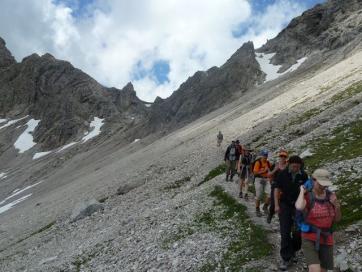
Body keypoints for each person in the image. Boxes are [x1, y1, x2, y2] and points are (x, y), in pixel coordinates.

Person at [295, 169, 341, 272]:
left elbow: (337, 219)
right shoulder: (307, 196)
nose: (324, 187)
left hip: (326, 237)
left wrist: (336, 206)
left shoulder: (331, 196)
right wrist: (302, 191)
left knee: (323, 270)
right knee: (315, 269)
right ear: (313, 180)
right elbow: (298, 206)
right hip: (309, 237)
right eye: (321, 184)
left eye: (325, 184)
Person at [274, 155, 308, 270]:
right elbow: (276, 189)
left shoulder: (303, 175)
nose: (296, 169)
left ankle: (293, 250)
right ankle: (285, 258)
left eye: (298, 167)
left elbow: (307, 190)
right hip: (285, 205)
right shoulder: (282, 174)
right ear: (290, 165)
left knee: (299, 232)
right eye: (294, 166)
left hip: (298, 206)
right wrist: (277, 205)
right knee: (285, 231)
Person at [267, 149, 289, 224]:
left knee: (283, 203)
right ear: (279, 157)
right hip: (275, 186)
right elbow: (269, 175)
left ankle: (281, 219)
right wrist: (275, 170)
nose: (282, 157)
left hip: (285, 187)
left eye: (284, 156)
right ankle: (270, 214)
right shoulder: (275, 165)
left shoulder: (288, 166)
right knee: (273, 203)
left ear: (286, 157)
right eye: (281, 156)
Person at [253, 150, 272, 216]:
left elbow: (270, 171)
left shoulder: (268, 163)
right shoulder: (258, 162)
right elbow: (255, 172)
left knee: (270, 193)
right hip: (258, 179)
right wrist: (264, 170)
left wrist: (270, 175)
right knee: (259, 195)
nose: (265, 157)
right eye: (264, 155)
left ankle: (265, 206)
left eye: (266, 155)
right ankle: (257, 209)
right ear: (261, 155)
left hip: (266, 179)